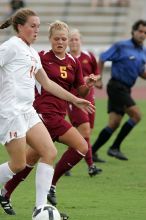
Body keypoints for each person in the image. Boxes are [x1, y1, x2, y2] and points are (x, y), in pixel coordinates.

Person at [0, 10, 95, 218]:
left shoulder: (32, 53)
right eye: (33, 26)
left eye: (38, 26)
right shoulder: (10, 47)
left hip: (28, 111)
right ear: (20, 27)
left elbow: (47, 83)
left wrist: (75, 99)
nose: (36, 30)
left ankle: (40, 208)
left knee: (49, 152)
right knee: (17, 164)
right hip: (11, 113)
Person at [92, 19, 146, 162]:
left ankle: (92, 152)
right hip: (116, 86)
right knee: (136, 115)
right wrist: (98, 78)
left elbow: (141, 72)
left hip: (126, 89)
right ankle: (114, 147)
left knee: (114, 123)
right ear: (133, 31)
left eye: (145, 33)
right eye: (140, 31)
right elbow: (102, 58)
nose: (142, 35)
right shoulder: (121, 46)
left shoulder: (143, 52)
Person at [66, 28, 105, 177]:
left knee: (84, 134)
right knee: (85, 132)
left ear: (80, 41)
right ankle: (91, 165)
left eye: (76, 39)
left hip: (90, 99)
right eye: (71, 39)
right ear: (68, 42)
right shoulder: (67, 59)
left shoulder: (89, 56)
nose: (74, 42)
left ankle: (67, 163)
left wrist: (95, 79)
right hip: (75, 100)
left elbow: (97, 73)